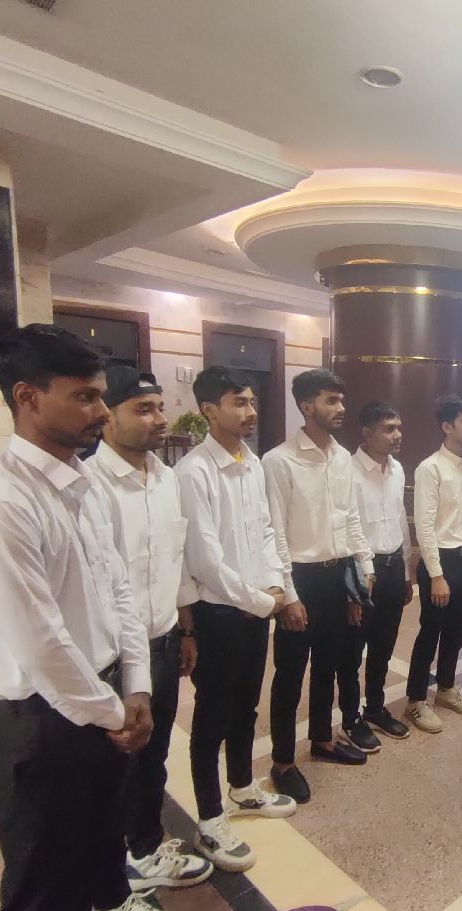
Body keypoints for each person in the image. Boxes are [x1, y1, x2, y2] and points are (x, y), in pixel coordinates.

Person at [0, 325, 182, 911]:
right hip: (42, 722)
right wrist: (114, 712)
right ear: (27, 397)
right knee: (42, 894)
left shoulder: (79, 483)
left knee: (97, 843)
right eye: (84, 397)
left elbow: (118, 590)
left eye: (101, 396)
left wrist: (135, 685)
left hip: (103, 700)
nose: (101, 412)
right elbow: (40, 640)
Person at [85, 366, 212, 892]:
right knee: (112, 767)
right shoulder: (89, 486)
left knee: (154, 753)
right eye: (143, 409)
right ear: (106, 416)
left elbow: (174, 560)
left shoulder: (166, 478)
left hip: (163, 639)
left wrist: (185, 629)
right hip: (112, 656)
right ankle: (110, 875)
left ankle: (146, 846)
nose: (159, 419)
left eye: (160, 407)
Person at [176, 367, 295, 874]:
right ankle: (209, 819)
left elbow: (266, 531)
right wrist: (261, 600)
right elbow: (204, 560)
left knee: (246, 704)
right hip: (218, 613)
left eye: (251, 402)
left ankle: (243, 787)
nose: (250, 412)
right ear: (208, 411)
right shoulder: (193, 473)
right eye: (238, 403)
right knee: (212, 715)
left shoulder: (252, 464)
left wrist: (274, 586)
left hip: (255, 605)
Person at [264, 369, 373, 798]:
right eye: (331, 400)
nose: (341, 407)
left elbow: (350, 519)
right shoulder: (279, 461)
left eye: (341, 399)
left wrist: (361, 574)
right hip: (300, 577)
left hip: (336, 574)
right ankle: (283, 761)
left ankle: (323, 739)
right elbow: (274, 533)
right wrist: (289, 595)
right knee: (290, 674)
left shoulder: (342, 457)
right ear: (307, 407)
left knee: (329, 663)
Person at [405, 395, 462, 733]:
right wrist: (436, 576)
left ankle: (447, 687)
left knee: (457, 629)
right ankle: (415, 700)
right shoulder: (430, 468)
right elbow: (424, 527)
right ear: (447, 426)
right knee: (431, 631)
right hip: (440, 561)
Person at [351, 401, 414, 740]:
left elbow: (401, 519)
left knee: (384, 645)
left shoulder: (397, 469)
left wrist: (405, 574)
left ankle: (374, 707)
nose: (397, 435)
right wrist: (357, 583)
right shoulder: (349, 472)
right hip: (364, 571)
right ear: (366, 432)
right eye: (389, 429)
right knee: (352, 651)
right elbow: (348, 530)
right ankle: (351, 718)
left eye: (399, 428)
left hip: (392, 567)